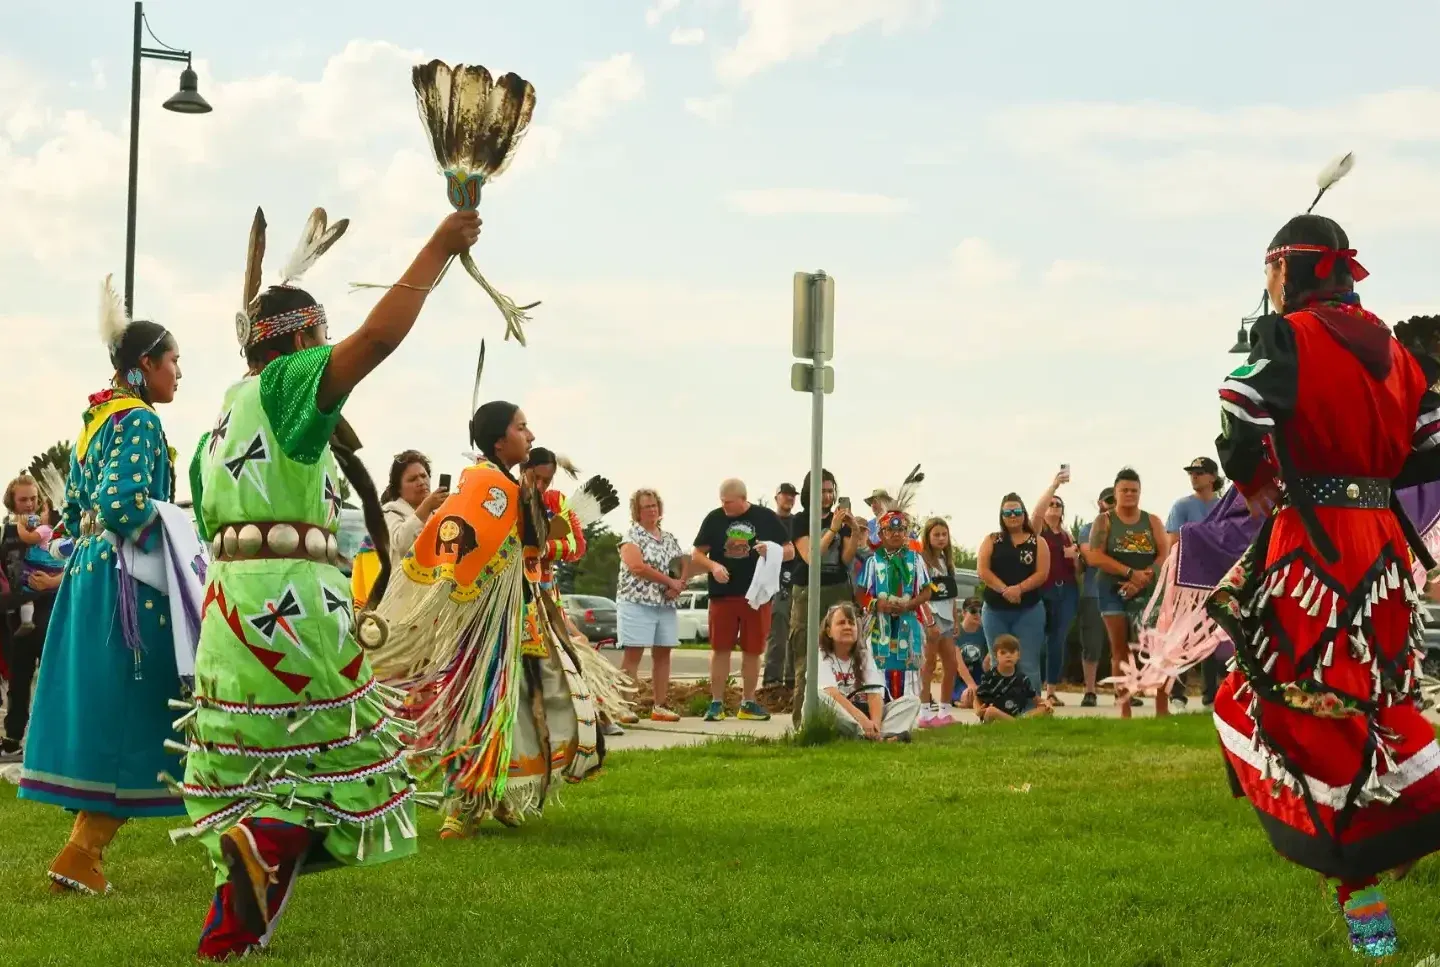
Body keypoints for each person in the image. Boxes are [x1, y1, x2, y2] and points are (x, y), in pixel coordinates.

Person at [174, 208, 480, 958]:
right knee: (347, 769)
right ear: (301, 340)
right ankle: (269, 842)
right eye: (319, 337)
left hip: (228, 611)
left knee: (246, 766)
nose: (326, 350)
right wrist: (438, 246)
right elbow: (375, 341)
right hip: (294, 606)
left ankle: (233, 926)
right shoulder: (289, 385)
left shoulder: (221, 416)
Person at [1205, 215, 1440, 958]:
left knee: (1286, 709)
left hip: (1316, 552)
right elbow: (1430, 446)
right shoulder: (1400, 353)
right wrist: (1366, 478)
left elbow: (1238, 410)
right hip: (1381, 559)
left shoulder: (1289, 338)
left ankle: (1365, 905)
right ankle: (1367, 890)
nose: (1266, 289)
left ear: (1290, 271)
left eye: (1270, 274)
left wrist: (1263, 482)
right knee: (1374, 707)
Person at [374, 398, 626, 841]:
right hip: (479, 629)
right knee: (478, 709)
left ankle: (500, 792)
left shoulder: (508, 487)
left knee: (517, 709)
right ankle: (464, 801)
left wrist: (548, 539)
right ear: (498, 440)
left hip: (517, 618)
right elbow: (461, 544)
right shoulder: (485, 486)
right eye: (521, 427)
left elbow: (530, 546)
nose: (529, 435)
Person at [18, 276, 185, 896]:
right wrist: (177, 533)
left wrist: (72, 548)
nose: (178, 373)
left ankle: (83, 849)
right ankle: (83, 850)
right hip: (127, 582)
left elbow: (79, 512)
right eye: (173, 360)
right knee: (139, 708)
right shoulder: (138, 418)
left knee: (109, 706)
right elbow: (121, 503)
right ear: (145, 364)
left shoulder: (99, 418)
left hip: (91, 574)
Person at [691, 479, 793, 722]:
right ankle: (716, 703)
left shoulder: (766, 517)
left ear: (742, 499)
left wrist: (772, 551)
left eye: (728, 502)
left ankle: (748, 702)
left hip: (756, 596)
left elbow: (789, 550)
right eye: (721, 502)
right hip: (722, 595)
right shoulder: (714, 519)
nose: (723, 506)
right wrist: (713, 565)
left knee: (752, 650)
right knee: (720, 649)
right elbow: (696, 553)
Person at [1084, 468, 1169, 719]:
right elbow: (1095, 555)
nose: (1130, 494)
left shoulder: (1152, 520)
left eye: (1134, 490)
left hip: (1149, 588)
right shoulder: (1105, 521)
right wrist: (1130, 573)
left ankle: (1162, 711)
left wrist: (1143, 578)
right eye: (1125, 490)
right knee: (1120, 649)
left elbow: (1164, 554)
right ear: (1116, 492)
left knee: (1157, 648)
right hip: (1112, 589)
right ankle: (1125, 710)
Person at [788, 469, 859, 726]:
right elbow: (811, 556)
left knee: (843, 656)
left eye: (831, 491)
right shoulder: (800, 519)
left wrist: (853, 532)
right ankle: (802, 725)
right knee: (807, 660)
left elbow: (846, 559)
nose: (827, 497)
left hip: (838, 589)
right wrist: (832, 529)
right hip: (808, 591)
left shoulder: (839, 519)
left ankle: (842, 722)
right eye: (822, 491)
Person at [0, 477, 61, 760]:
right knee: (19, 679)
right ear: (12, 502)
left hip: (47, 606)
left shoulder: (46, 528)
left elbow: (68, 560)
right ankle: (13, 739)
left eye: (33, 498)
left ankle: (54, 739)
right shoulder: (6, 532)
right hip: (15, 610)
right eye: (23, 499)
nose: (29, 504)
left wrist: (50, 582)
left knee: (52, 674)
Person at [618, 488, 687, 722]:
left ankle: (660, 705)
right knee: (634, 652)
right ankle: (623, 705)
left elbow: (680, 566)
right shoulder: (631, 537)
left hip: (664, 604)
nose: (652, 510)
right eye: (646, 506)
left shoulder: (669, 538)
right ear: (637, 511)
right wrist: (669, 580)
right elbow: (637, 567)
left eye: (654, 505)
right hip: (636, 602)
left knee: (663, 653)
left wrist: (678, 584)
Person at [857, 499, 934, 701]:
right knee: (878, 673)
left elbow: (927, 592)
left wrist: (910, 604)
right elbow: (860, 594)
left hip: (907, 626)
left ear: (906, 532)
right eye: (889, 530)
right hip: (879, 627)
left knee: (908, 675)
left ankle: (905, 721)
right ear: (881, 534)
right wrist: (877, 604)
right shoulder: (873, 562)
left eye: (900, 530)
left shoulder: (915, 559)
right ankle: (880, 717)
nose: (896, 533)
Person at [1165, 456, 1225, 707]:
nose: (1194, 476)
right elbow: (1172, 544)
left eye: (1199, 472)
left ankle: (1210, 695)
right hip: (1187, 581)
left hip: (1215, 580)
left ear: (1212, 477)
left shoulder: (1224, 506)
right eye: (1191, 472)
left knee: (1211, 639)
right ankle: (1177, 695)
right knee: (1182, 636)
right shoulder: (1182, 506)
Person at [976, 494, 1050, 692]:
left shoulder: (1038, 542)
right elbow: (983, 570)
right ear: (1001, 516)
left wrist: (1019, 589)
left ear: (1024, 514)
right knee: (997, 660)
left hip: (1029, 609)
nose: (1012, 516)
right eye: (1007, 512)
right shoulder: (992, 539)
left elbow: (1042, 573)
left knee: (1028, 662)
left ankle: (1031, 708)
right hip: (995, 610)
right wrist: (1005, 590)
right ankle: (999, 706)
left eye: (1017, 511)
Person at [815, 603, 918, 741]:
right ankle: (871, 735)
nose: (847, 627)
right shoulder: (821, 655)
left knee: (912, 701)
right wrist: (863, 722)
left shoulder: (864, 655)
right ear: (828, 631)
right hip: (841, 716)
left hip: (865, 713)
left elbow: (875, 694)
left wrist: (875, 724)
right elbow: (833, 695)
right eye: (841, 623)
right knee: (820, 696)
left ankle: (877, 736)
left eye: (851, 623)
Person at [918, 517, 974, 725]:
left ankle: (944, 710)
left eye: (944, 534)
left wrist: (956, 620)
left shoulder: (946, 561)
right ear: (928, 536)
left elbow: (950, 593)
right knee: (929, 664)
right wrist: (929, 621)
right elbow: (920, 592)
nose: (941, 538)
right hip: (931, 616)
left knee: (951, 664)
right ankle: (924, 712)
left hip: (948, 619)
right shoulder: (922, 560)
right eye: (936, 535)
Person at [1034, 470, 1079, 706]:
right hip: (1044, 589)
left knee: (1057, 641)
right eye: (1051, 504)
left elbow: (1078, 567)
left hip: (1067, 590)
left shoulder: (1067, 535)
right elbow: (1036, 513)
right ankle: (1035, 690)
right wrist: (1054, 486)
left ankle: (1051, 690)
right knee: (1038, 640)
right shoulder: (1039, 531)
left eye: (1058, 504)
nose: (1054, 506)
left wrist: (1075, 556)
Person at [1076, 487, 1118, 707]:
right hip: (1094, 594)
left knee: (1120, 645)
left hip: (1123, 593)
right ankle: (1090, 691)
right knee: (1092, 645)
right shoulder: (1087, 529)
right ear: (1100, 503)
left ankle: (1122, 691)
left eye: (1115, 500)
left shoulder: (1131, 529)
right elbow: (1091, 558)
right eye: (1108, 500)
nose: (1112, 503)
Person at [381, 449, 449, 570]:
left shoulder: (438, 512)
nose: (421, 482)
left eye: (424, 476)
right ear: (399, 488)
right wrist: (426, 507)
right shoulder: (390, 511)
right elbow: (401, 543)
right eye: (412, 479)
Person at [764, 482, 800, 688]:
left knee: (797, 633)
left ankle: (791, 680)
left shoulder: (799, 523)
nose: (789, 498)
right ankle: (772, 679)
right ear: (776, 497)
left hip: (798, 583)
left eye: (792, 495)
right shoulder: (770, 522)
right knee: (778, 632)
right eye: (785, 495)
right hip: (777, 584)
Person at [974, 634, 1053, 722]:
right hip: (996, 716)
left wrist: (1046, 702)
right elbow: (977, 697)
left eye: (1012, 652)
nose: (1008, 655)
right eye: (1003, 652)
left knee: (1045, 709)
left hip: (1016, 715)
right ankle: (1018, 723)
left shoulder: (1022, 678)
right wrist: (977, 709)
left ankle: (1015, 721)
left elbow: (1035, 698)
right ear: (996, 656)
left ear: (1018, 656)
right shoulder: (989, 677)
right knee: (990, 711)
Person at [952, 597, 988, 707]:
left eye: (981, 611)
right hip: (960, 679)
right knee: (968, 696)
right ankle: (956, 700)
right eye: (973, 611)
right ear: (963, 613)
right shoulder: (956, 633)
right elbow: (959, 664)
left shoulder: (985, 632)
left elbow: (987, 663)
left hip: (979, 676)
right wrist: (971, 685)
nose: (978, 614)